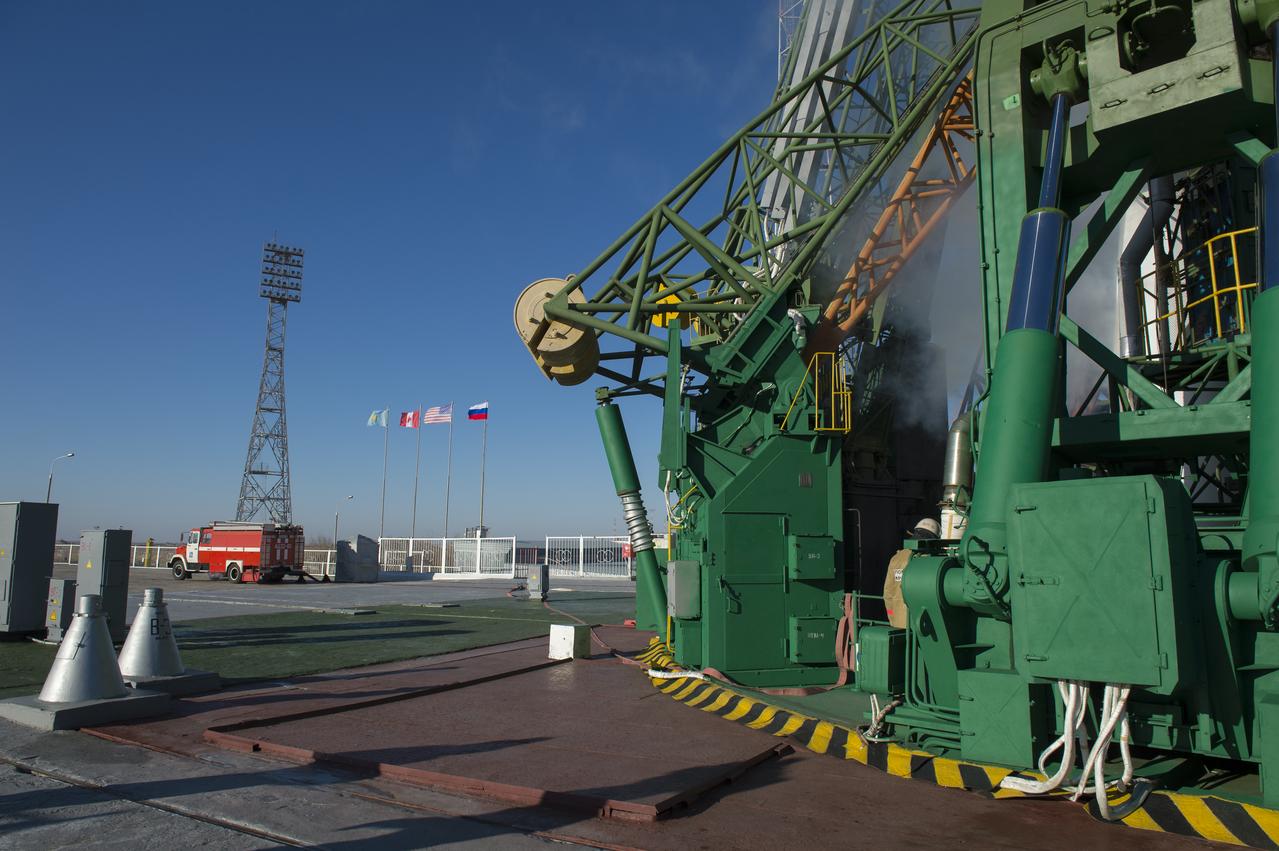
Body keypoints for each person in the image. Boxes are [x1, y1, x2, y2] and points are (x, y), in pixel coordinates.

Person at [882, 518, 940, 628]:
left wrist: (891, 615)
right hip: (920, 624)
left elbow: (887, 593)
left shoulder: (896, 558)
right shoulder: (928, 560)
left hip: (897, 622)